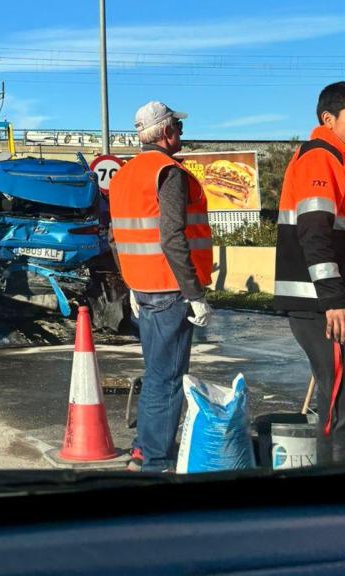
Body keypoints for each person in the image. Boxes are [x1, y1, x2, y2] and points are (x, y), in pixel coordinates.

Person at [274, 81, 345, 463]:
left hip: (325, 304)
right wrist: (334, 300)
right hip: (322, 306)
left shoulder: (334, 160)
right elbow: (314, 233)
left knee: (337, 401)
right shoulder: (320, 159)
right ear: (329, 119)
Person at [109, 101, 214, 472]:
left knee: (157, 373)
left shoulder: (124, 174)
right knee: (168, 378)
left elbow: (115, 236)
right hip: (171, 290)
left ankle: (144, 449)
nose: (182, 134)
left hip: (145, 288)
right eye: (179, 128)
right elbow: (172, 236)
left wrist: (131, 284)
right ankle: (154, 460)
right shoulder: (168, 173)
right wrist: (195, 294)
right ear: (166, 132)